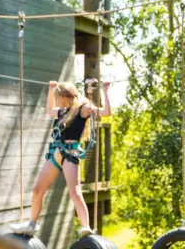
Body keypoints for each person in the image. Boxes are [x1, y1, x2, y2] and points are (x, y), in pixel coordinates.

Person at [11, 79, 111, 238]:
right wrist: (51, 90)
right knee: (37, 190)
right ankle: (32, 224)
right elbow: (49, 109)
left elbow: (105, 112)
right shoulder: (61, 111)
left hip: (70, 154)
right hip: (56, 153)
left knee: (75, 192)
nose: (57, 101)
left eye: (58, 97)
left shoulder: (82, 109)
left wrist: (105, 92)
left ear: (66, 97)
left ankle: (86, 227)